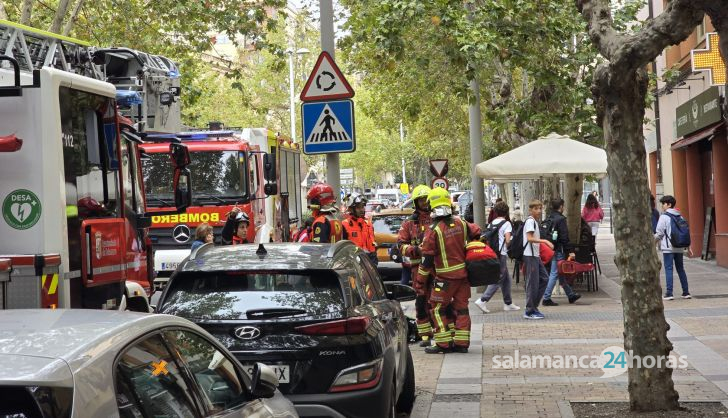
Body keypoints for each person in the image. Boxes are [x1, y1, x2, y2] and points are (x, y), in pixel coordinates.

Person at [417, 187, 481, 354]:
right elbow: (477, 232)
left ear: (432, 206)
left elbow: (426, 260)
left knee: (437, 308)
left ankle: (443, 344)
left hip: (444, 279)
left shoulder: (433, 230)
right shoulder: (461, 223)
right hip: (463, 277)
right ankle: (462, 343)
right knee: (462, 309)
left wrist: (419, 282)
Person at [397, 185, 433, 344]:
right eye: (421, 200)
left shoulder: (437, 218)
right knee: (421, 301)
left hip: (437, 268)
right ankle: (425, 334)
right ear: (415, 203)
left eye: (426, 199)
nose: (424, 202)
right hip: (418, 270)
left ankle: (441, 333)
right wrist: (415, 250)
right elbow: (401, 246)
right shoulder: (409, 223)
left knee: (439, 301)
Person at [474, 201, 520, 313]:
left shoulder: (492, 223)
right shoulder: (507, 224)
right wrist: (513, 241)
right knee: (498, 278)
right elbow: (508, 241)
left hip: (493, 253)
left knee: (506, 279)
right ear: (507, 212)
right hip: (501, 254)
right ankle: (483, 300)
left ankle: (508, 303)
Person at [542, 198, 581, 306]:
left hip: (550, 248)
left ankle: (570, 295)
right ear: (561, 207)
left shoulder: (549, 217)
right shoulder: (561, 219)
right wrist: (570, 251)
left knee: (560, 272)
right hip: (559, 249)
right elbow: (564, 237)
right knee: (555, 273)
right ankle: (546, 297)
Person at [654, 195, 690, 300]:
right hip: (679, 246)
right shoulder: (680, 216)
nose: (662, 206)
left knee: (669, 269)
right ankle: (686, 292)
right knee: (680, 269)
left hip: (668, 248)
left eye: (663, 204)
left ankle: (669, 293)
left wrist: (653, 242)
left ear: (669, 204)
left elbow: (659, 233)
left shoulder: (664, 217)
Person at [523, 199, 554, 320]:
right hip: (530, 255)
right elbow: (530, 238)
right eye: (536, 209)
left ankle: (533, 307)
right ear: (530, 210)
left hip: (534, 255)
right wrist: (545, 241)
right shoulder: (530, 222)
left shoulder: (534, 222)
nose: (539, 211)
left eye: (540, 208)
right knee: (533, 283)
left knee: (544, 278)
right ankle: (529, 310)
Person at [342, 193, 377, 265]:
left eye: (363, 207)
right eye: (358, 207)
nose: (362, 210)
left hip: (370, 262)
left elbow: (372, 244)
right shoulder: (344, 225)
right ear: (351, 209)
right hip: (354, 263)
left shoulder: (368, 224)